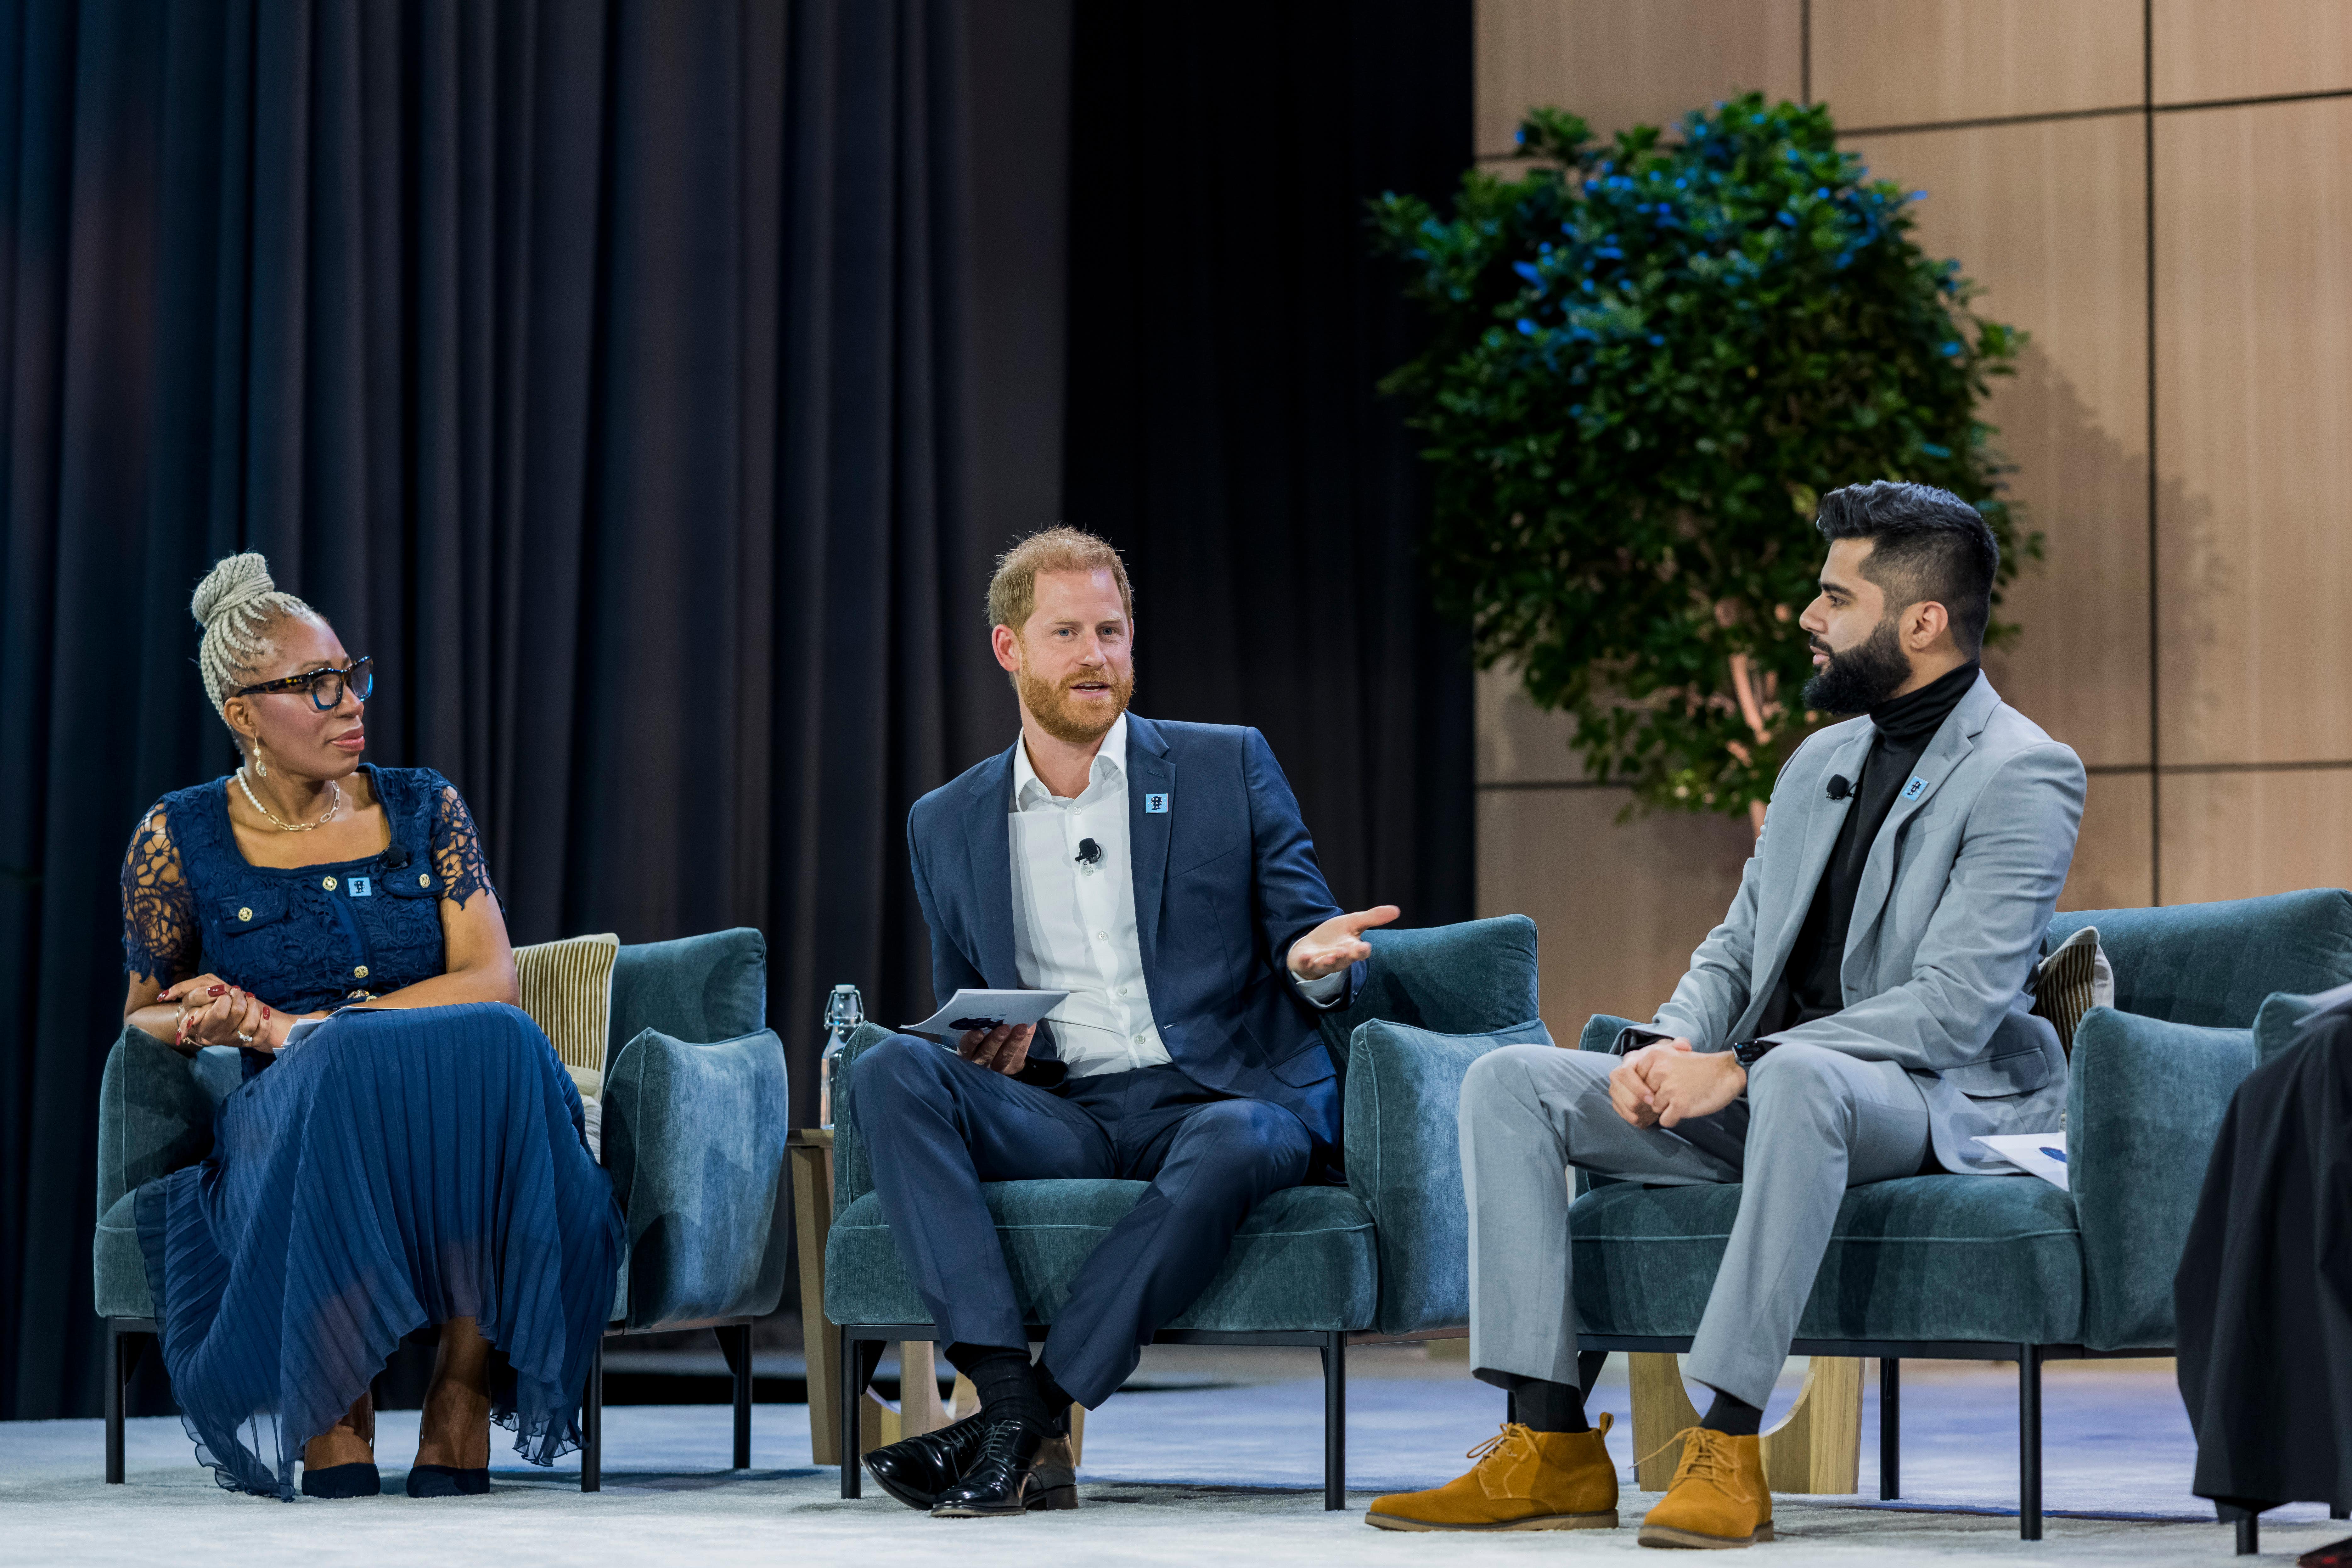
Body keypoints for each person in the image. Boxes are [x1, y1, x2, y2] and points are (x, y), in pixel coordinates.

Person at [1368, 481, 2085, 1548]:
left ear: (1921, 622)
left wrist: (1742, 1061)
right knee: (1509, 1082)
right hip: (1768, 1082)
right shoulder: (1819, 760)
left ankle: (1726, 1444)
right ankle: (1548, 1444)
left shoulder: (2023, 771)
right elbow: (1738, 945)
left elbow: (1954, 1011)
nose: (1807, 616)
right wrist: (1669, 1046)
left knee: (1799, 1078)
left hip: (1920, 1099)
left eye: (1835, 597)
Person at [850, 526, 1397, 1517]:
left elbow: (1306, 932)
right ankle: (1009, 1397)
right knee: (886, 1069)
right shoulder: (946, 820)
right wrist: (980, 1051)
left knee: (1242, 1135)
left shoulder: (1225, 764)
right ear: (1010, 649)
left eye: (1111, 631)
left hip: (1220, 1101)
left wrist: (1313, 968)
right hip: (1067, 1113)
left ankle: (1015, 1417)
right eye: (1066, 633)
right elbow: (963, 1000)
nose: (1095, 656)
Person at [119, 553, 623, 1500]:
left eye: (352, 676)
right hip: (293, 1120)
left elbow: (493, 978)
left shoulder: (425, 805)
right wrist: (210, 1021)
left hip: (448, 1103)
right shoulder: (178, 836)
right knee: (344, 1067)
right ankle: (336, 1394)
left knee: (507, 1039)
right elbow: (143, 1013)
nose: (350, 703)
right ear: (242, 715)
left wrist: (309, 1024)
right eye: (316, 686)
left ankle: (462, 1387)